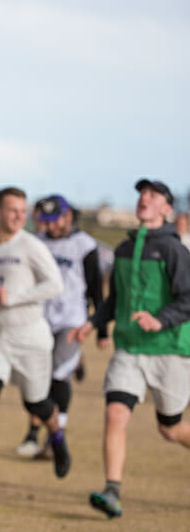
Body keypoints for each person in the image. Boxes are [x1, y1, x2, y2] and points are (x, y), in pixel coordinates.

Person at [69, 179, 190, 520]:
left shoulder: (174, 250)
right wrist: (94, 323)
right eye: (141, 194)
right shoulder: (123, 249)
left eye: (153, 195)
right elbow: (116, 299)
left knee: (170, 429)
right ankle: (112, 490)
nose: (144, 199)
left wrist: (160, 320)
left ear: (166, 208)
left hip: (169, 350)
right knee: (115, 414)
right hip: (129, 349)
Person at [0, 187, 69, 490]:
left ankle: (57, 438)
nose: (19, 217)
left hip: (30, 337)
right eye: (13, 210)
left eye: (23, 212)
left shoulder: (31, 246)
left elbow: (55, 285)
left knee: (36, 403)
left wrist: (15, 298)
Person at [14, 195, 109, 458]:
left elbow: (96, 290)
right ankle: (33, 434)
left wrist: (101, 330)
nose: (50, 227)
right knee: (36, 377)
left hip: (72, 320)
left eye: (54, 221)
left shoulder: (84, 245)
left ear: (68, 216)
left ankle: (56, 436)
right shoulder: (38, 243)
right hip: (40, 319)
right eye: (45, 222)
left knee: (57, 375)